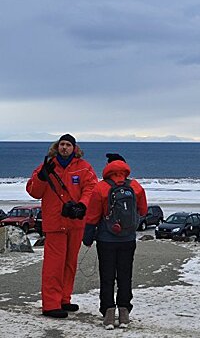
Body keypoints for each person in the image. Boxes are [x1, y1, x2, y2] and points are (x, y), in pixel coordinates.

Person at [26, 134, 98, 318]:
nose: (64, 148)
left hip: (75, 222)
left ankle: (64, 299)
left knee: (69, 264)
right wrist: (42, 177)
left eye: (68, 145)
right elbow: (34, 192)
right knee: (53, 266)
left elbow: (91, 188)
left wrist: (82, 204)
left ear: (74, 148)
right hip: (55, 222)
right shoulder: (47, 167)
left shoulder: (83, 167)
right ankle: (51, 304)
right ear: (57, 147)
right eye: (62, 144)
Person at [83, 153, 147, 329]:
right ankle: (124, 312)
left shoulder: (101, 187)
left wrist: (88, 237)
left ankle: (108, 313)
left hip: (106, 239)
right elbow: (143, 210)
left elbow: (93, 215)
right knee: (125, 276)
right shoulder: (135, 186)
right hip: (128, 239)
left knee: (107, 277)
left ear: (107, 168)